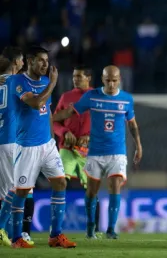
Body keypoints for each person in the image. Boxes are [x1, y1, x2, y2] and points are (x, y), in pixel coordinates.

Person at [53, 65, 142, 239]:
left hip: (117, 151)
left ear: (119, 80)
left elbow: (132, 124)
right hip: (94, 152)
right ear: (102, 79)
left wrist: (139, 145)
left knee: (115, 186)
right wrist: (48, 119)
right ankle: (91, 226)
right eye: (108, 80)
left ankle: (111, 229)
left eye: (114, 80)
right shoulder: (91, 96)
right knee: (92, 191)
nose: (111, 84)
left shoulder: (126, 99)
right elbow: (72, 111)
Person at [9, 46, 76, 248]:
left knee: (60, 183)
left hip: (47, 145)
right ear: (30, 61)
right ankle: (16, 238)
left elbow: (46, 112)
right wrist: (54, 84)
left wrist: (52, 138)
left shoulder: (45, 82)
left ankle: (55, 235)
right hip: (27, 146)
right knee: (21, 192)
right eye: (41, 60)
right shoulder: (18, 82)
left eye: (47, 61)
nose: (45, 65)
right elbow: (36, 103)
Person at [53, 65, 101, 235]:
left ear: (88, 78)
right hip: (67, 148)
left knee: (92, 190)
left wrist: (91, 137)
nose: (75, 79)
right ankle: (56, 229)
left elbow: (106, 125)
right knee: (60, 183)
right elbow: (54, 121)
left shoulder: (98, 97)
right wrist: (64, 132)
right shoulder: (66, 97)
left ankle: (93, 230)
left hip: (89, 151)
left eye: (79, 76)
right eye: (74, 76)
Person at [0, 47, 23, 246]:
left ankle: (6, 232)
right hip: (8, 140)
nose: (24, 64)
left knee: (3, 190)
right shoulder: (16, 82)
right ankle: (1, 229)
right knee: (14, 188)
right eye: (22, 61)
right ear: (15, 63)